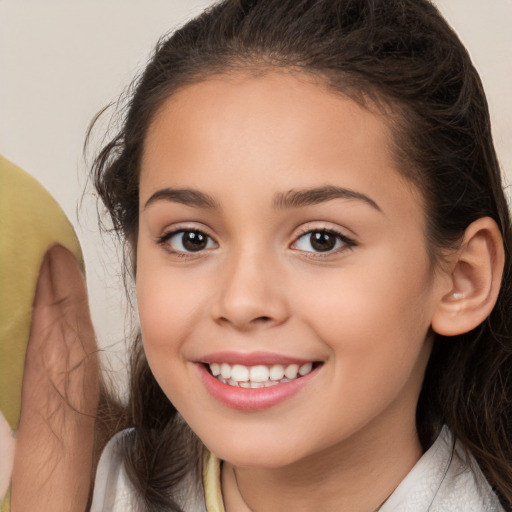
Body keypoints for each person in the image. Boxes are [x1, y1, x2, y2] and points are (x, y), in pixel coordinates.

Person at [89, 0, 512, 510]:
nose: (242, 301)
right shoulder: (104, 486)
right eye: (191, 238)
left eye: (321, 240)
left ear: (462, 279)